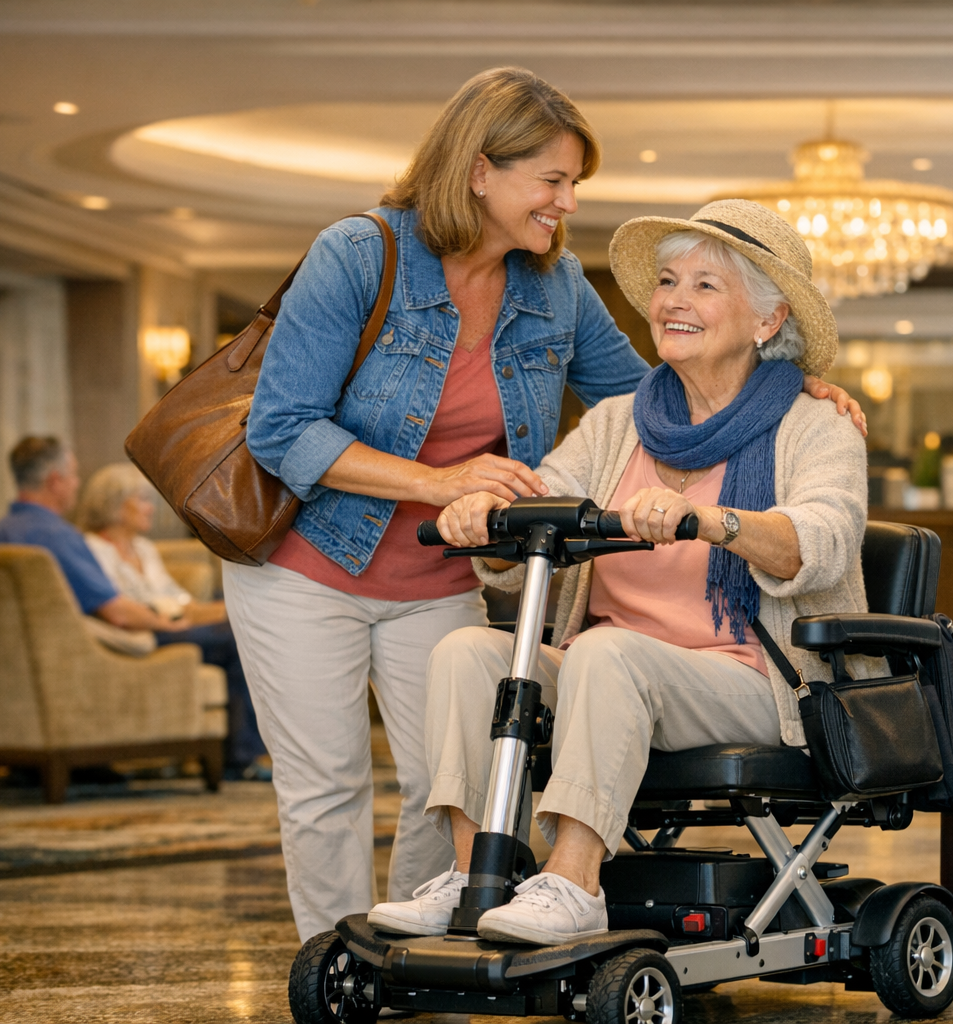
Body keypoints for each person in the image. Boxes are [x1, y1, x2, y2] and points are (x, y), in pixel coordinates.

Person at [223, 68, 864, 942]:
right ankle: (355, 952)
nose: (567, 204)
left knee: (435, 762)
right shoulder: (359, 255)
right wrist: (461, 500)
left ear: (765, 317)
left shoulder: (555, 287)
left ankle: (488, 917)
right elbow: (284, 429)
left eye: (705, 287)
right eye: (553, 181)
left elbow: (658, 394)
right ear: (479, 171)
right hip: (317, 557)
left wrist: (784, 386)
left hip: (478, 590)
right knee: (333, 778)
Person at [367, 199, 872, 944]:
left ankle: (575, 883)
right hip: (608, 670)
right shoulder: (617, 422)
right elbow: (539, 504)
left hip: (758, 680)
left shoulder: (814, 424)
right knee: (468, 653)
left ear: (768, 320)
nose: (674, 300)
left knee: (608, 653)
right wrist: (488, 520)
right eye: (668, 282)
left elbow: (822, 541)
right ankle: (478, 877)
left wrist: (712, 520)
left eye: (705, 285)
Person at [75, 463, 269, 781]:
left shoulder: (144, 549)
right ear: (115, 504)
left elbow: (180, 602)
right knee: (236, 638)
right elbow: (119, 610)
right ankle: (239, 758)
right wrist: (175, 617)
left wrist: (234, 608)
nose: (151, 508)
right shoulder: (93, 550)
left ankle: (238, 755)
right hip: (140, 636)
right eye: (142, 500)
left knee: (243, 628)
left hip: (173, 626)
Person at [0, 437, 189, 637]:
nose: (77, 483)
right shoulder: (58, 537)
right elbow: (118, 614)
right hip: (73, 647)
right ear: (55, 481)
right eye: (73, 474)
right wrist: (165, 623)